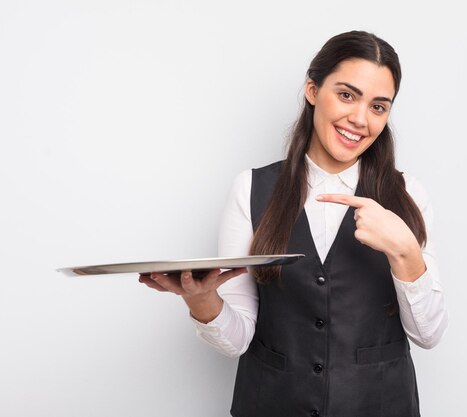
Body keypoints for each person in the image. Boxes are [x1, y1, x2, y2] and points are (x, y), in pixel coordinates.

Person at [139, 30, 448, 417]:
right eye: (347, 95)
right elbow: (237, 339)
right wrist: (202, 301)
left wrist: (405, 252)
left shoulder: (408, 195)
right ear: (313, 90)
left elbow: (429, 335)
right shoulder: (251, 189)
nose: (359, 119)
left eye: (378, 107)